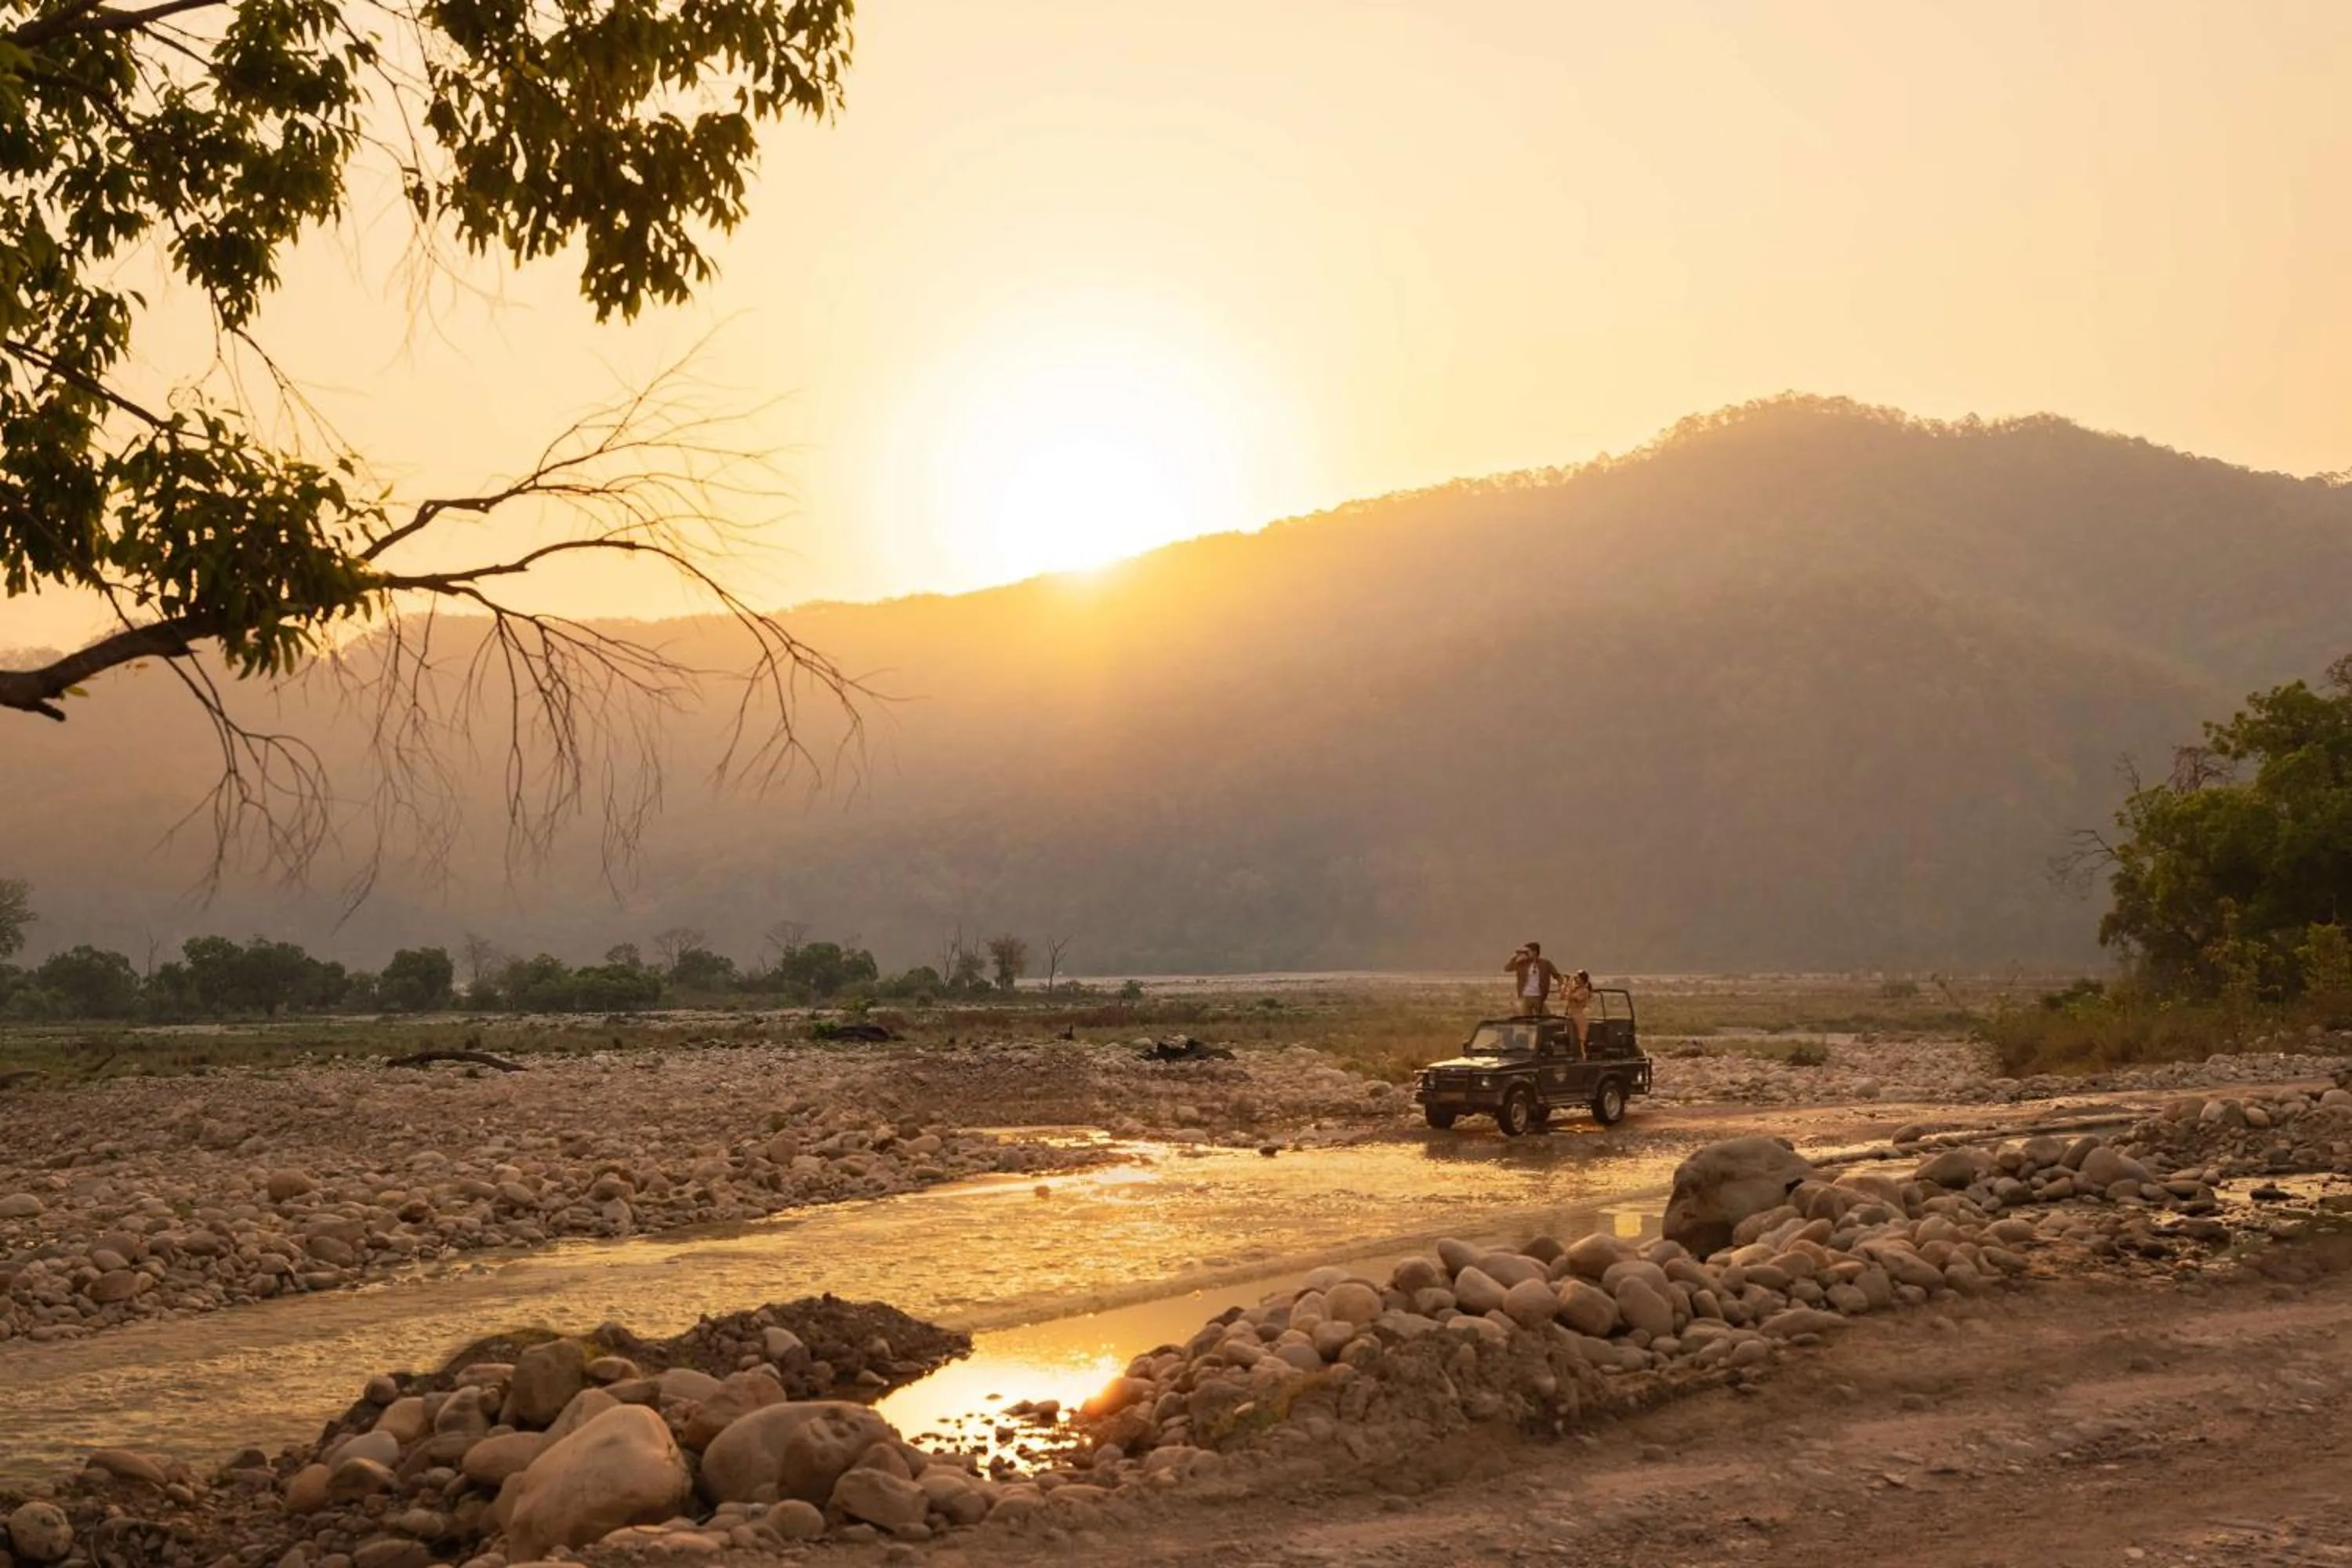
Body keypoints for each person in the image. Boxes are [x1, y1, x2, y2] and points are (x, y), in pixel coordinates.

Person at [1504, 942, 1561, 1016]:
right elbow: (1507, 968)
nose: (1526, 954)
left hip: (1539, 996)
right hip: (1525, 997)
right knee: (1526, 1020)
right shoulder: (1523, 963)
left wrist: (1561, 986)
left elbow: (1557, 976)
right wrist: (1516, 956)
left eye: (1528, 952)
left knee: (1545, 1017)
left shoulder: (1545, 963)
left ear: (1535, 952)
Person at [1563, 969, 1595, 1053]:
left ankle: (1583, 1055)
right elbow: (1564, 996)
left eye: (1578, 978)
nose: (1576, 979)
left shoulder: (1584, 991)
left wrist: (1570, 986)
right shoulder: (1575, 989)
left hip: (1578, 1015)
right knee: (1570, 1037)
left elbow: (1573, 997)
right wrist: (1566, 984)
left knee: (1581, 1038)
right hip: (1570, 1015)